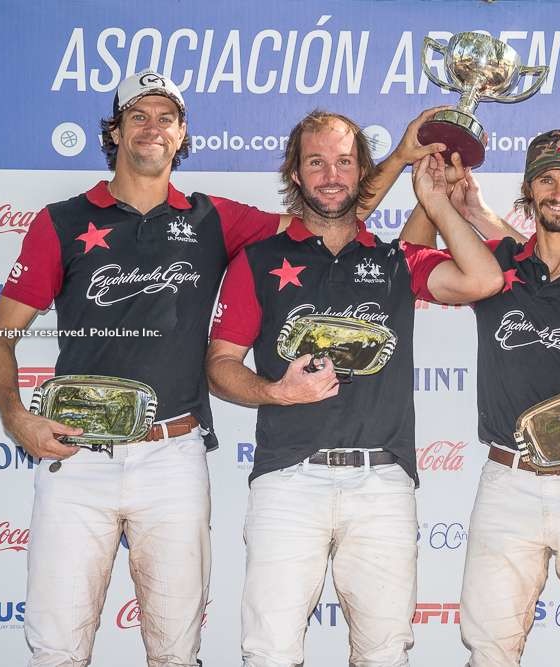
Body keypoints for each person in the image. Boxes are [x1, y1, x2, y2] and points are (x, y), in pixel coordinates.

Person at [0, 69, 446, 666]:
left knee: (176, 651)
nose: (152, 128)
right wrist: (15, 415)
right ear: (115, 132)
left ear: (182, 136)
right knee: (56, 648)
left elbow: (332, 208)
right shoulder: (62, 221)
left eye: (166, 118)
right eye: (138, 116)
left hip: (173, 457)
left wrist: (404, 156)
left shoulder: (213, 219)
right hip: (78, 458)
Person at [204, 110, 503, 667]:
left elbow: (484, 280)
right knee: (268, 650)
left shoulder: (395, 259)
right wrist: (277, 392)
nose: (331, 175)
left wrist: (435, 203)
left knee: (383, 651)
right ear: (295, 175)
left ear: (362, 172)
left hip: (381, 485)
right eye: (316, 162)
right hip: (287, 480)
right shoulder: (259, 260)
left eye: (344, 162)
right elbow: (220, 365)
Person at [400, 130, 560, 667]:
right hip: (507, 483)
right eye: (546, 178)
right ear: (529, 191)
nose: (558, 190)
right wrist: (438, 202)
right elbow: (407, 263)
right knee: (490, 651)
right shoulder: (496, 268)